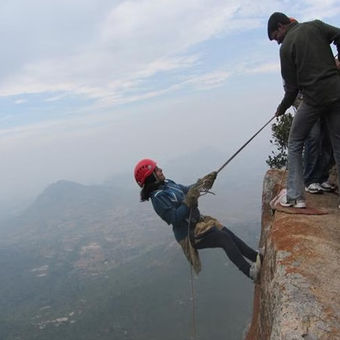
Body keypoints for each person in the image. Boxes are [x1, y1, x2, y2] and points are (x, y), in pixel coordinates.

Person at [134, 158, 262, 282]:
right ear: (151, 177)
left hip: (198, 223)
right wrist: (188, 202)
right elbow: (174, 218)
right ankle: (250, 272)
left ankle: (256, 257)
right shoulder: (158, 198)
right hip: (189, 234)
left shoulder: (168, 184)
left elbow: (188, 190)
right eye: (156, 170)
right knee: (223, 238)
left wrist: (202, 183)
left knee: (227, 234)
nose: (160, 170)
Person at [267, 12, 340, 208]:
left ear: (281, 26)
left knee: (296, 141)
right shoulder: (316, 26)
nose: (277, 42)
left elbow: (291, 89)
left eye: (276, 36)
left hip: (314, 98)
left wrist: (281, 109)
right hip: (336, 92)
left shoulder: (286, 48)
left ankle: (295, 196)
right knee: (337, 143)